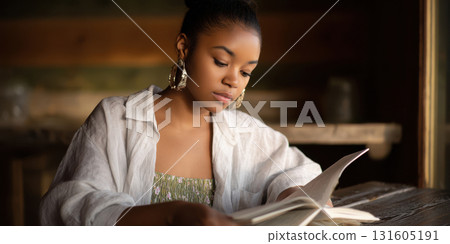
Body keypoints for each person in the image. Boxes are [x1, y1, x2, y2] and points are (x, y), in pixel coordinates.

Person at [39, 0, 322, 226]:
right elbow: (72, 207)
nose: (233, 80)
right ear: (184, 47)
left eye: (246, 71)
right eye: (221, 61)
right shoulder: (116, 121)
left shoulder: (247, 136)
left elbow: (299, 173)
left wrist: (296, 198)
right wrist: (171, 215)